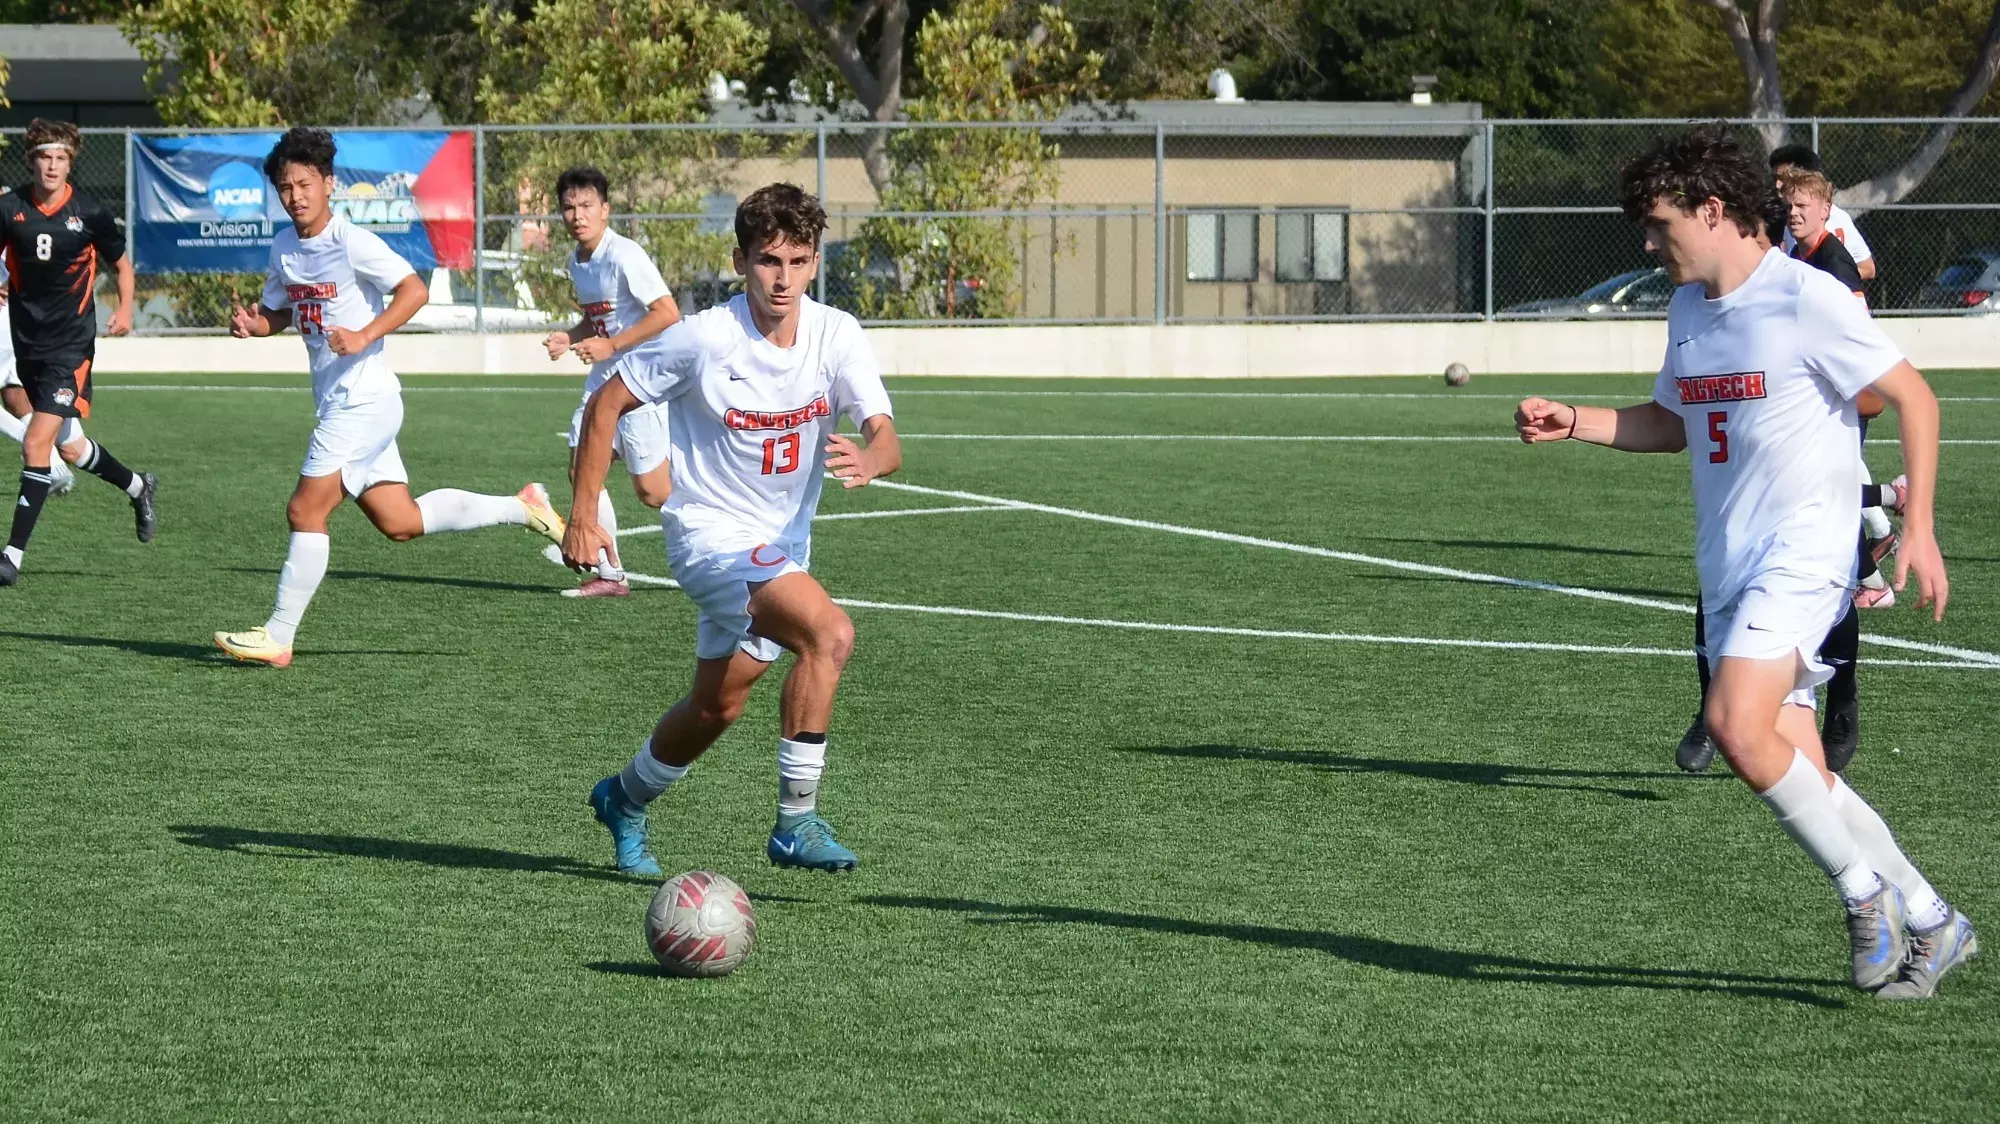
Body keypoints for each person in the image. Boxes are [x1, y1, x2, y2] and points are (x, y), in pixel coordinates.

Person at [1517, 126, 1974, 999]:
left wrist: (1919, 530)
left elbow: (1914, 395)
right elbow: (1675, 422)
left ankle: (1862, 893)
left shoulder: (1809, 298)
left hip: (1804, 558)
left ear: (1713, 210)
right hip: (1728, 565)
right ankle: (1932, 919)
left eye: (1658, 225)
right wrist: (1574, 419)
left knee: (1732, 724)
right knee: (1802, 768)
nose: (1648, 244)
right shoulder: (1688, 311)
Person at [565, 183, 901, 877]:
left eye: (799, 261)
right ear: (741, 260)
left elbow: (886, 437)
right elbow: (607, 402)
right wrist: (582, 514)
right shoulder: (704, 338)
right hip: (709, 537)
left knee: (717, 707)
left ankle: (622, 799)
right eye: (768, 261)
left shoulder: (837, 334)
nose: (783, 279)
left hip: (781, 548)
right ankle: (795, 823)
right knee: (830, 634)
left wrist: (871, 457)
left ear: (814, 264)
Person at [213, 126, 566, 667]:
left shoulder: (350, 240)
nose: (296, 196)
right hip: (341, 401)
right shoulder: (285, 247)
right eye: (285, 187)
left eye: (305, 184)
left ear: (328, 185)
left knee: (305, 510)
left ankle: (279, 636)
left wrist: (365, 334)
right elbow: (282, 313)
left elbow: (414, 290)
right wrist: (254, 325)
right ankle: (520, 508)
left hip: (364, 399)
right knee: (401, 522)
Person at [0, 118, 157, 586]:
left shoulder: (89, 212)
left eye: (60, 158)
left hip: (70, 347)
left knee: (35, 442)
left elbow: (123, 266)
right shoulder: (10, 209)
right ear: (31, 161)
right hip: (28, 342)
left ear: (71, 163)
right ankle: (138, 486)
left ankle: (11, 558)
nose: (52, 165)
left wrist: (126, 307)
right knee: (69, 447)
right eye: (44, 157)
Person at [541, 165, 682, 598]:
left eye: (586, 206)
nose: (577, 215)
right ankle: (611, 572)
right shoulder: (577, 261)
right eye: (568, 207)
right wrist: (573, 335)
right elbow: (597, 318)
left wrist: (613, 344)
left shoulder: (625, 254)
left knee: (654, 493)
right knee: (581, 470)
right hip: (604, 377)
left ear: (605, 209)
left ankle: (727, 518)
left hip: (640, 378)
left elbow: (666, 313)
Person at [1768, 144, 1875, 283]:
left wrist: (1830, 278)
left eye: (1783, 177)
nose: (1777, 185)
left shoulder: (1832, 223)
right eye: (1774, 178)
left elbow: (1868, 268)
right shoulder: (1782, 217)